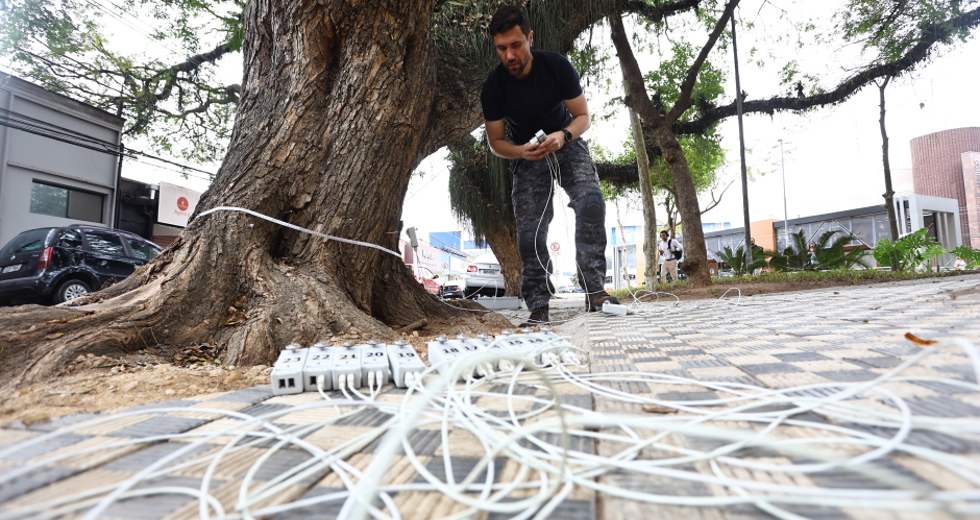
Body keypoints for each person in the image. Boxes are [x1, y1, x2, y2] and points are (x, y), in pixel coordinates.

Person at [481, 5, 618, 325]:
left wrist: (564, 134)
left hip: (566, 143)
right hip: (526, 155)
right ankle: (538, 304)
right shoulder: (494, 86)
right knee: (529, 231)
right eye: (502, 48)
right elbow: (496, 142)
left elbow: (583, 117)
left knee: (591, 204)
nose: (510, 55)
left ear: (529, 37)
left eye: (516, 45)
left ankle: (595, 291)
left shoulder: (556, 66)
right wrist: (519, 151)